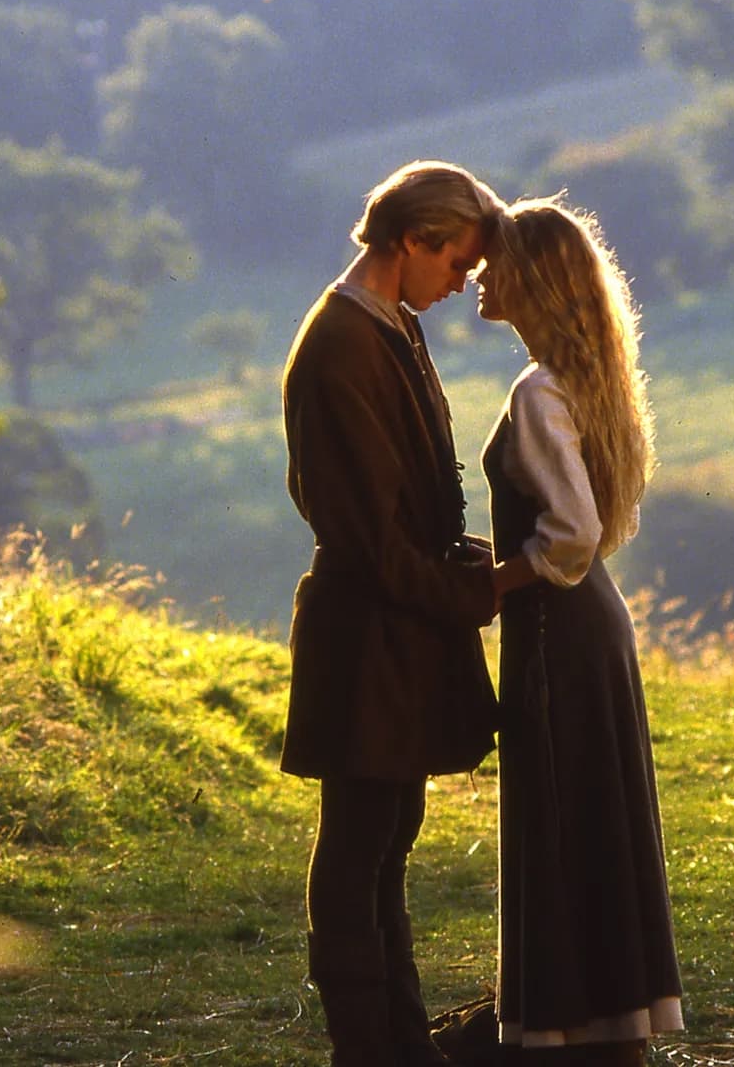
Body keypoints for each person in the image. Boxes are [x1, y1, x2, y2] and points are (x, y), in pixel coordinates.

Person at [280, 159, 507, 1067]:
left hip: (395, 630)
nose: (460, 286)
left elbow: (412, 509)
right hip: (365, 636)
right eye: (457, 264)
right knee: (358, 849)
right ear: (413, 240)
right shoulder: (342, 343)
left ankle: (402, 1043)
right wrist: (486, 587)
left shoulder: (390, 325)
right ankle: (367, 1050)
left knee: (388, 843)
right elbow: (371, 538)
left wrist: (471, 562)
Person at [476, 197, 685, 1066]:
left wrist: (490, 585)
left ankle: (571, 1028)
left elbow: (570, 534)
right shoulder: (579, 380)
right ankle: (607, 1018)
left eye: (494, 261)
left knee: (564, 815)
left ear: (530, 279)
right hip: (589, 619)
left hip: (557, 628)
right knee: (596, 814)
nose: (480, 274)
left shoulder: (536, 391)